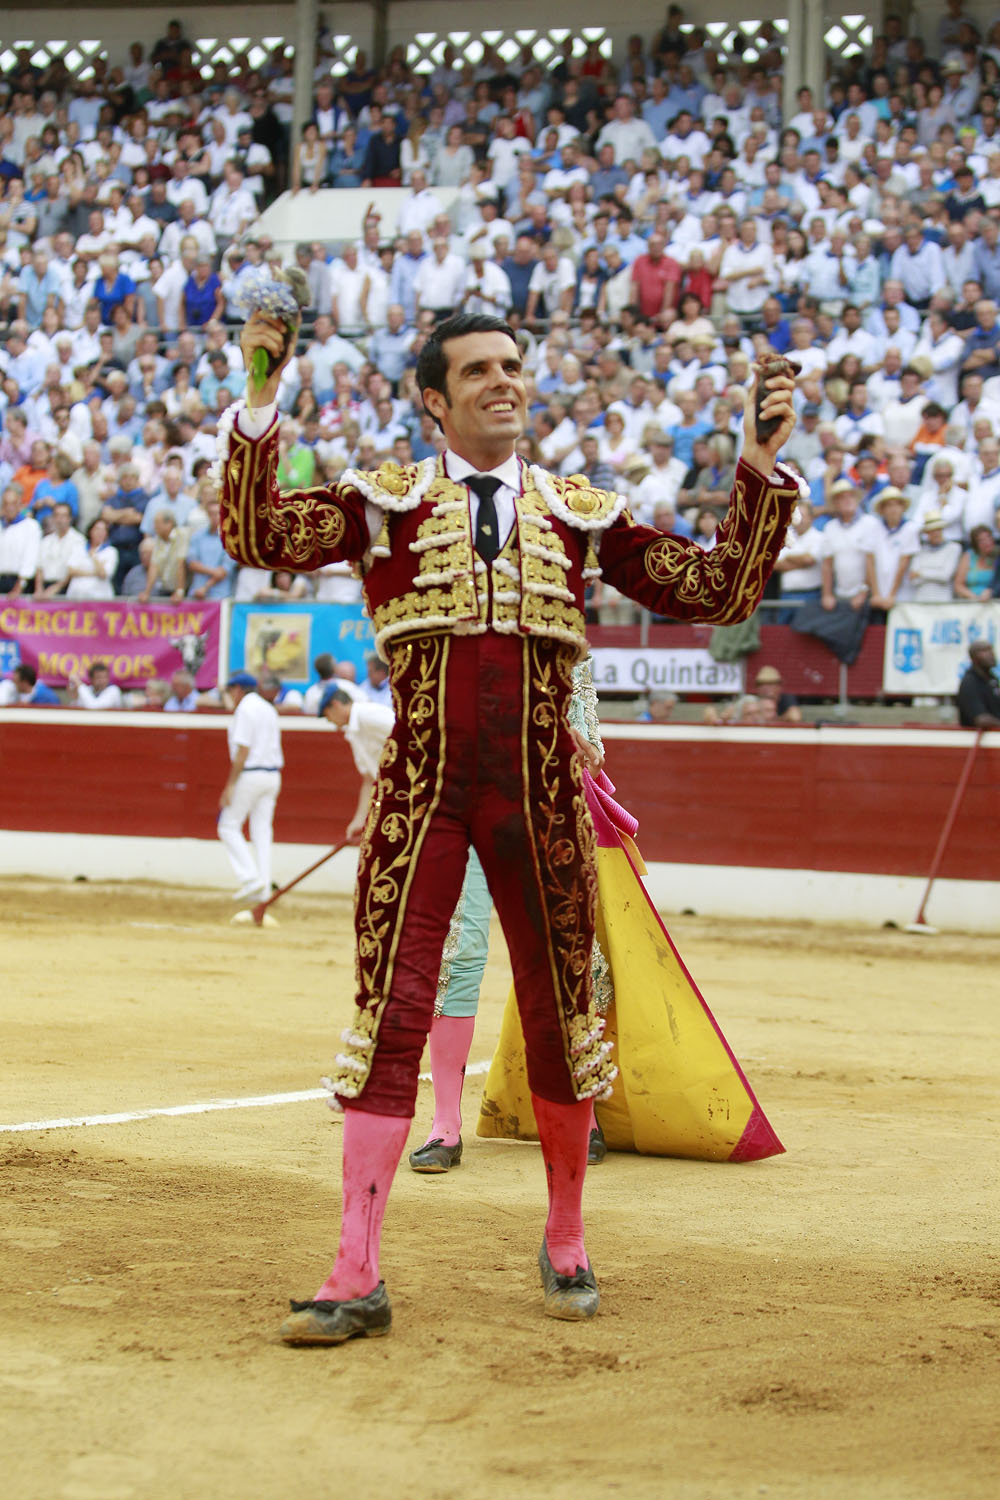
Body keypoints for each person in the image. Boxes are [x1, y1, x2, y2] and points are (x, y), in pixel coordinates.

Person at [219, 309, 798, 1345]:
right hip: (419, 796)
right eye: (477, 371)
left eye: (513, 368)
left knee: (560, 1012)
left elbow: (718, 590)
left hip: (538, 798)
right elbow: (259, 534)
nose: (503, 382)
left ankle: (566, 1239)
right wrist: (261, 398)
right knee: (389, 1018)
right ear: (434, 400)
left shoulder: (579, 513)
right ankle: (356, 1271)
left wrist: (756, 463)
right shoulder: (384, 502)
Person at [217, 671, 283, 904]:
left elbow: (243, 750)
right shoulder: (267, 708)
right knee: (262, 831)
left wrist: (230, 785)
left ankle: (250, 878)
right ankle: (263, 888)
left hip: (251, 775)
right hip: (272, 776)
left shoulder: (245, 708)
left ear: (237, 690)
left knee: (227, 825)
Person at [317, 684, 394, 841]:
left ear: (336, 706)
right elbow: (369, 779)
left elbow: (410, 737)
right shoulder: (353, 731)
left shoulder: (368, 714)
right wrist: (359, 820)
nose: (330, 721)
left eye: (328, 716)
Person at [956, 640, 1000, 728]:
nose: (990, 654)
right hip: (975, 737)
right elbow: (981, 719)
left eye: (990, 650)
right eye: (984, 651)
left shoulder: (992, 679)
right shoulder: (970, 682)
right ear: (973, 658)